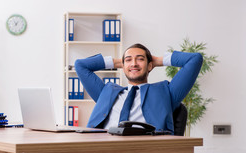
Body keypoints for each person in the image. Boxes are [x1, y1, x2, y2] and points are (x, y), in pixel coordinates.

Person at [74, 43, 203, 134]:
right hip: (103, 147)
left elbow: (195, 59)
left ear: (150, 66)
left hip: (143, 150)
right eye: (129, 60)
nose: (134, 63)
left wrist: (157, 61)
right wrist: (120, 62)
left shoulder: (166, 92)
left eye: (140, 59)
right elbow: (80, 65)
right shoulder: (106, 92)